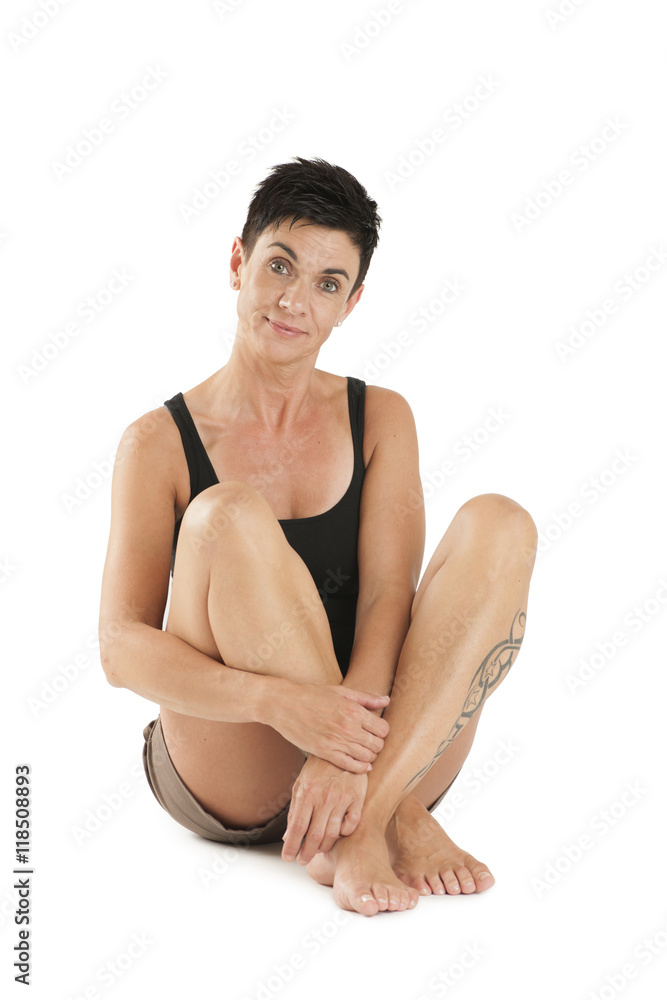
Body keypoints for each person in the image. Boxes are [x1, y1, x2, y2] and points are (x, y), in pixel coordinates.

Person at [98, 156, 538, 917]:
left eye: (328, 283)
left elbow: (388, 599)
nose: (294, 301)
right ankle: (391, 819)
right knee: (226, 515)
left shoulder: (382, 417)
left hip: (383, 747)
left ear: (351, 303)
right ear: (237, 263)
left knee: (501, 521)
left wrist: (345, 745)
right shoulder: (155, 443)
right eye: (280, 265)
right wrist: (284, 704)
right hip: (233, 757)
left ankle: (369, 813)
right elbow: (120, 649)